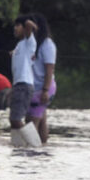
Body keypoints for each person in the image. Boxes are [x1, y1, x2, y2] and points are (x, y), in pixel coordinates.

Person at [28, 13, 57, 144]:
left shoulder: (47, 44)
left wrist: (45, 90)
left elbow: (49, 69)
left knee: (31, 121)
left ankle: (30, 150)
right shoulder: (32, 44)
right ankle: (43, 148)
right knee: (41, 119)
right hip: (35, 87)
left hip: (44, 87)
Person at [9, 15, 38, 144]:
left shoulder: (29, 42)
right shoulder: (20, 45)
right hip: (18, 85)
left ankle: (35, 145)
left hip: (24, 85)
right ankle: (18, 147)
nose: (15, 29)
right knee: (13, 120)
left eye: (17, 26)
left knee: (16, 119)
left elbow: (30, 25)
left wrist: (26, 22)